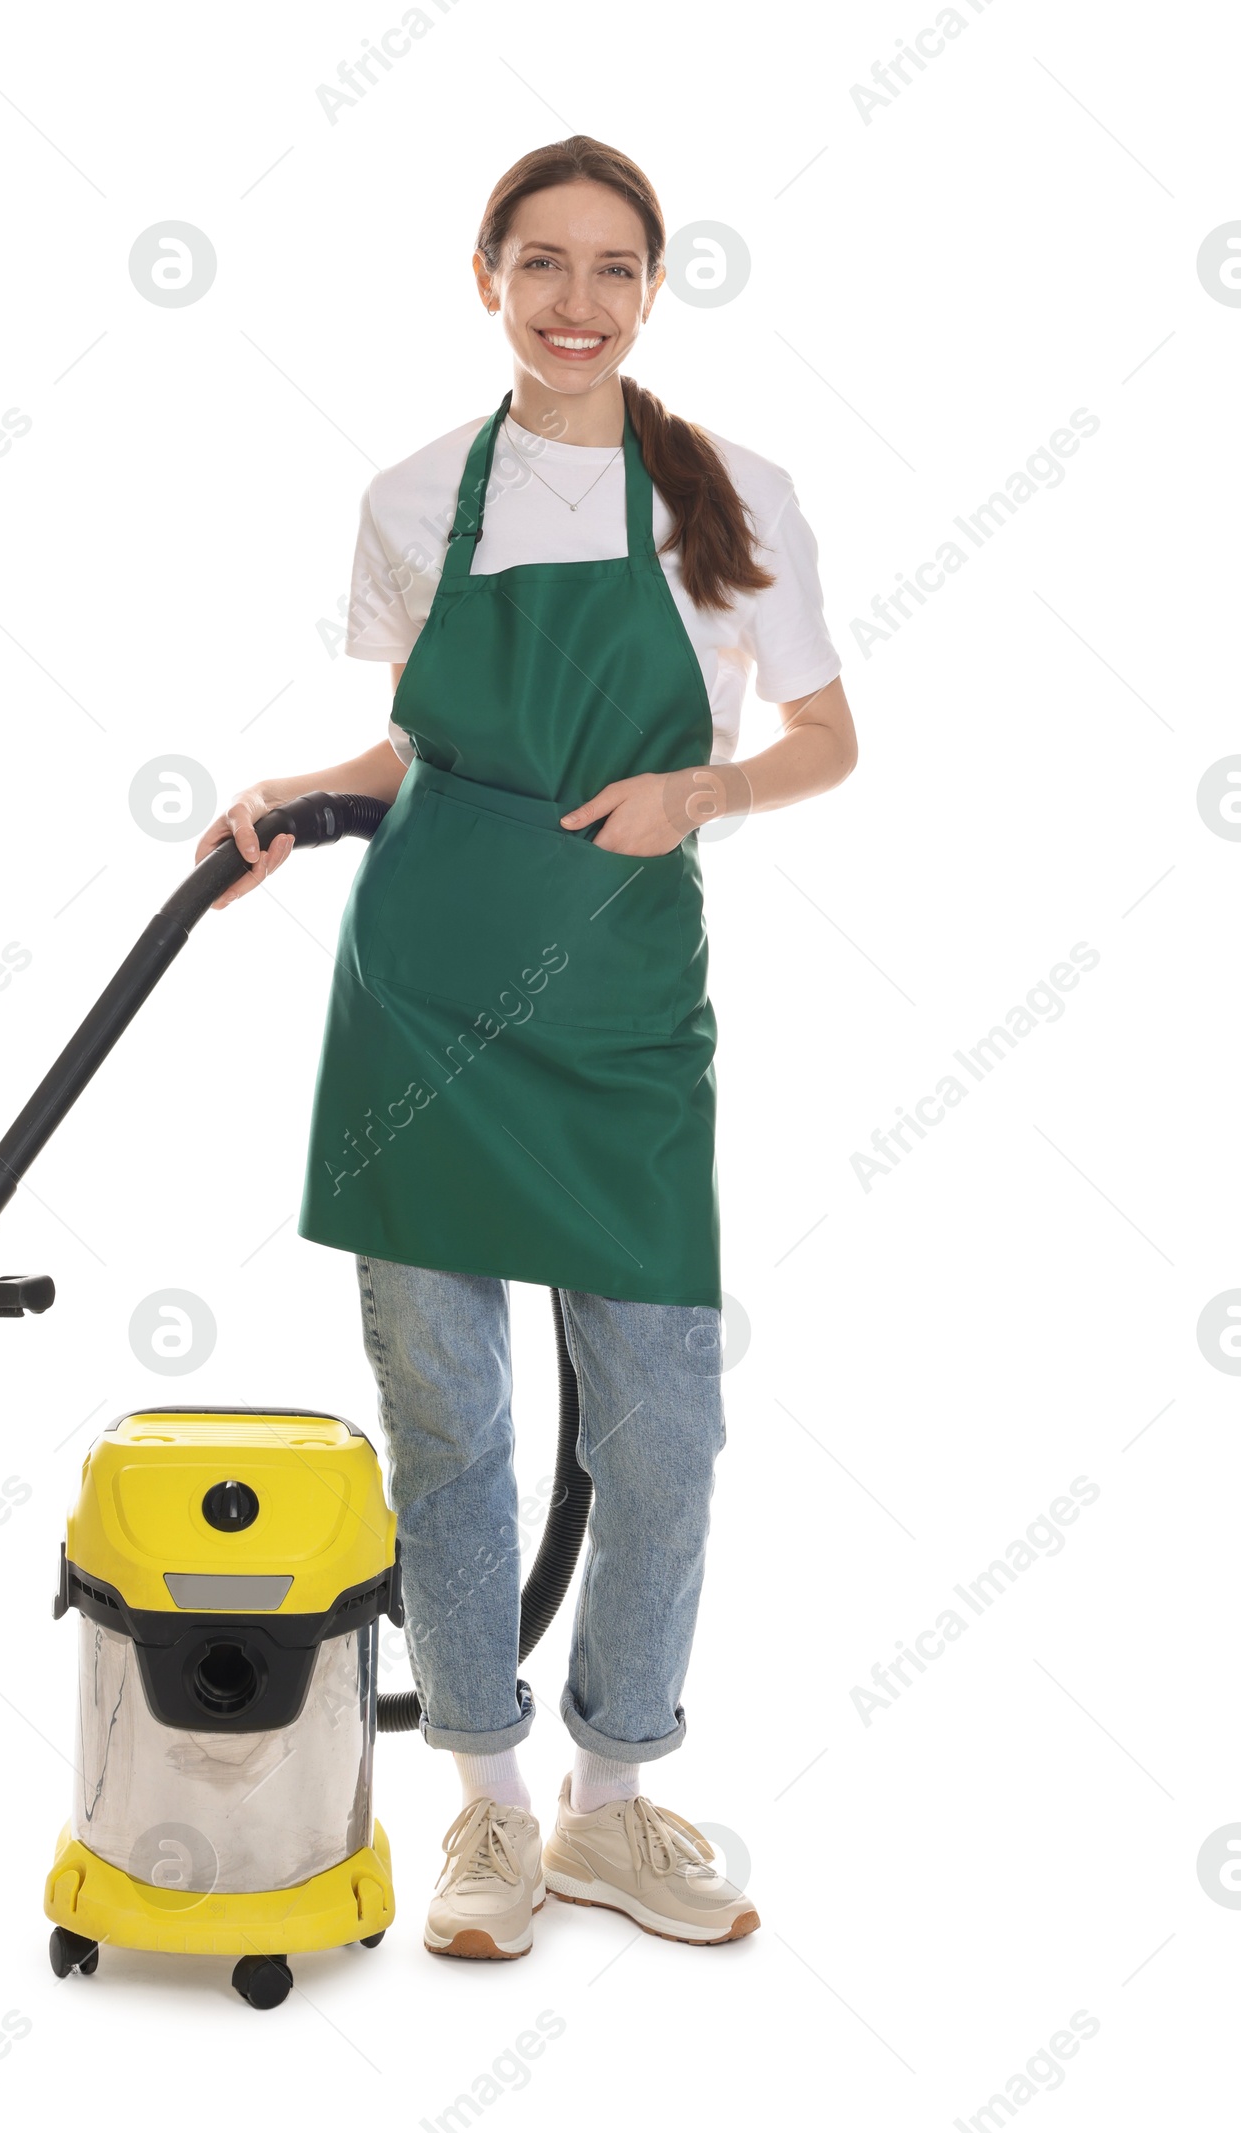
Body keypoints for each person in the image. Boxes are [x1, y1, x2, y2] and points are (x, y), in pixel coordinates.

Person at [195, 135, 856, 1960]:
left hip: (624, 1008)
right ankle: (487, 1812)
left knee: (664, 1427)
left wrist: (706, 789)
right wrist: (298, 796)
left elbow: (828, 736)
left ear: (657, 289)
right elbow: (418, 748)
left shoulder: (728, 492)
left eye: (615, 270)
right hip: (421, 991)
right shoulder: (418, 495)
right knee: (448, 1426)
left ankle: (617, 1796)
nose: (579, 302)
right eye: (542, 264)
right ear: (485, 275)